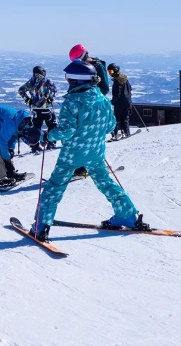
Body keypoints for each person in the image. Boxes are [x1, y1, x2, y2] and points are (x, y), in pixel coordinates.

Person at [29, 60, 149, 242]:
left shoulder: (72, 102)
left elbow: (66, 131)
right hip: (96, 151)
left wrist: (47, 136)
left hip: (72, 154)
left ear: (75, 81)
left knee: (54, 187)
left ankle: (41, 225)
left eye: (69, 79)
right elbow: (110, 126)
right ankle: (127, 215)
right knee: (105, 182)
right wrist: (93, 134)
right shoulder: (103, 99)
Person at [68, 44, 109, 177]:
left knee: (90, 138)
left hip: (94, 106)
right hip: (82, 105)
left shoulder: (97, 66)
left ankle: (88, 166)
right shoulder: (82, 67)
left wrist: (93, 91)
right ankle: (80, 166)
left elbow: (105, 88)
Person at [0, 105, 41, 189]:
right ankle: (0, 179)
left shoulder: (24, 124)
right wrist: (6, 156)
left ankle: (10, 172)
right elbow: (3, 141)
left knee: (7, 150)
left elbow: (14, 136)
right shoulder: (12, 125)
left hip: (1, 119)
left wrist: (10, 149)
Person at [18, 65, 59, 153]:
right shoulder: (47, 81)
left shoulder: (31, 82)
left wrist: (28, 100)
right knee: (52, 125)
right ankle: (51, 143)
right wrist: (50, 98)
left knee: (36, 127)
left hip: (36, 109)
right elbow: (54, 90)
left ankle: (35, 146)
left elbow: (21, 90)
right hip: (47, 108)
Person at [108, 63, 133, 138]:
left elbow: (117, 94)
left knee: (116, 119)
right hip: (127, 102)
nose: (110, 73)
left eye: (111, 71)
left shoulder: (117, 81)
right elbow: (130, 89)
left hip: (120, 104)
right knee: (125, 118)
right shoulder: (124, 79)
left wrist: (111, 102)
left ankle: (116, 134)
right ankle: (126, 132)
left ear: (115, 71)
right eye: (109, 71)